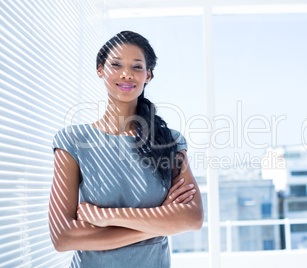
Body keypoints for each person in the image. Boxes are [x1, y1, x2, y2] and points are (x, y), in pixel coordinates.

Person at [48, 31, 203, 267]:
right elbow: (62, 237)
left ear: (148, 75)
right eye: (116, 64)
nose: (126, 74)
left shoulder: (169, 141)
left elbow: (192, 218)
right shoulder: (74, 141)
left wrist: (106, 217)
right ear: (100, 70)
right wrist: (161, 221)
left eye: (137, 67)